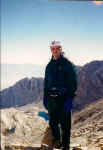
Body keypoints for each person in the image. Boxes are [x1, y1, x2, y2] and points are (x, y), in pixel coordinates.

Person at [43, 40, 77, 150]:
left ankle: (65, 147)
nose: (55, 51)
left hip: (64, 100)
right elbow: (46, 83)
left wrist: (70, 99)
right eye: (53, 49)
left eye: (57, 48)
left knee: (65, 127)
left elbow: (73, 83)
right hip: (52, 101)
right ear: (50, 50)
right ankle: (57, 144)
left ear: (61, 49)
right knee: (53, 124)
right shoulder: (49, 66)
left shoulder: (68, 64)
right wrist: (45, 98)